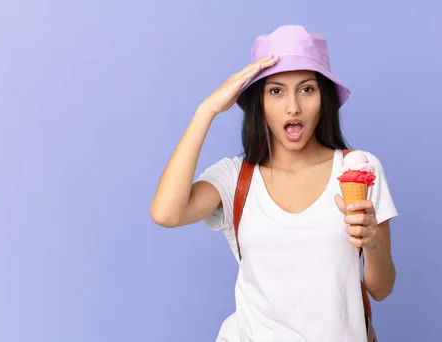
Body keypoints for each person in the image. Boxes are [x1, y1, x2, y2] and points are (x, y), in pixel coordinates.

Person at [150, 25, 399, 342]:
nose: (293, 106)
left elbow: (382, 289)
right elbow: (165, 214)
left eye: (307, 89)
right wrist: (207, 110)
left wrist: (372, 241)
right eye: (276, 91)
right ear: (260, 103)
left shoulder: (358, 169)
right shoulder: (234, 178)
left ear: (323, 98)